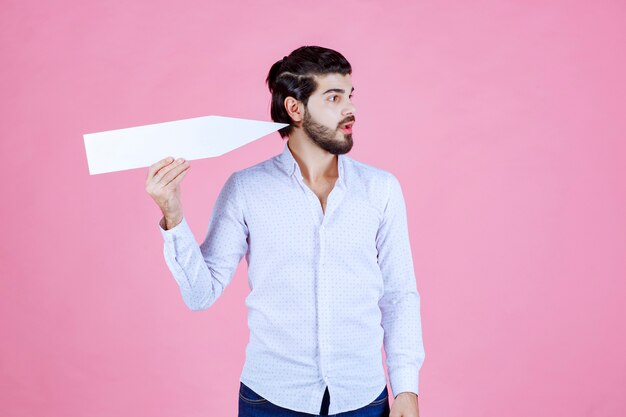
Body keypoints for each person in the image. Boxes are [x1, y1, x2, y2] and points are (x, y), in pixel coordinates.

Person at [145, 45, 425, 417]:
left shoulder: (381, 189)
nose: (351, 109)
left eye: (350, 96)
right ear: (295, 108)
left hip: (363, 399)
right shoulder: (246, 189)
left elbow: (399, 295)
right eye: (333, 97)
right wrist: (173, 214)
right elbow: (201, 293)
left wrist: (406, 387)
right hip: (271, 400)